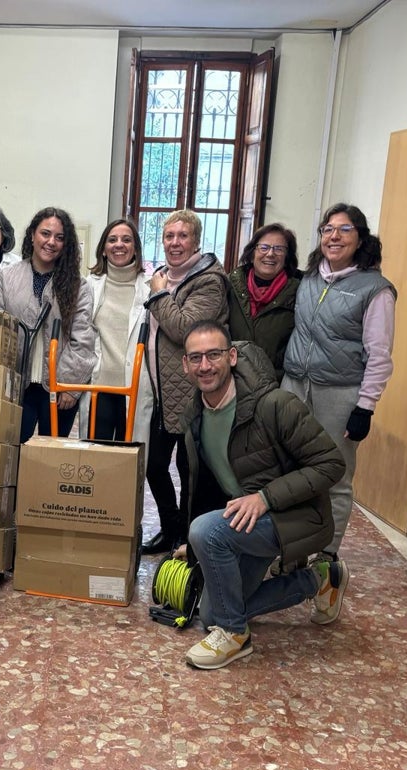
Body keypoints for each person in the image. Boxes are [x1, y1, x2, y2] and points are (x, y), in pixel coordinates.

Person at [177, 321, 348, 670]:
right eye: (196, 358)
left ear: (233, 356)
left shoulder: (275, 404)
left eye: (214, 355)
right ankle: (319, 580)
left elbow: (332, 464)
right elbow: (205, 487)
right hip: (247, 521)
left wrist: (265, 498)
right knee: (210, 612)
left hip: (293, 516)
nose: (205, 366)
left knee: (209, 540)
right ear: (185, 365)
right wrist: (192, 544)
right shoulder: (194, 414)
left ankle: (235, 635)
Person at [281, 203, 396, 562]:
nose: (334, 236)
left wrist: (365, 407)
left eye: (344, 229)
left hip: (340, 394)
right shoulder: (311, 278)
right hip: (295, 385)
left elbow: (379, 355)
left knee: (335, 476)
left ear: (360, 237)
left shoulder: (375, 289)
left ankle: (327, 555)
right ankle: (292, 546)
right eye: (328, 229)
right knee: (289, 469)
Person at [140, 209, 228, 554]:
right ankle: (171, 526)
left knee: (190, 472)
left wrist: (159, 294)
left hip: (194, 393)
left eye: (183, 236)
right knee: (154, 465)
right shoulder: (162, 275)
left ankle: (192, 541)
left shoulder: (209, 280)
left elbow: (185, 329)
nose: (175, 243)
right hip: (161, 394)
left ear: (196, 241)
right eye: (169, 237)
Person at [0, 207, 95, 442]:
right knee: (11, 454)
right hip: (14, 388)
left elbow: (82, 339)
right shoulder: (7, 278)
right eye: (45, 234)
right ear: (32, 235)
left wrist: (69, 386)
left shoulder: (79, 286)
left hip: (58, 390)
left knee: (51, 459)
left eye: (60, 237)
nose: (51, 242)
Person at [80, 218, 152, 442]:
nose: (119, 244)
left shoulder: (151, 287)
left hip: (135, 385)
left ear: (135, 248)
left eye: (126, 240)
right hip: (99, 385)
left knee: (128, 459)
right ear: (103, 249)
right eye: (112, 240)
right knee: (95, 455)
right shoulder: (89, 285)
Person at [224, 223, 302, 381]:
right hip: (231, 380)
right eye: (264, 247)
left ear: (287, 258)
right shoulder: (229, 285)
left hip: (276, 384)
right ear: (252, 253)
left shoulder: (300, 291)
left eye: (279, 249)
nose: (271, 254)